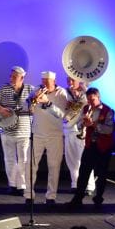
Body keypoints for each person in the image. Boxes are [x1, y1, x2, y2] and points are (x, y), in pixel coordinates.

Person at [67, 87, 115, 208]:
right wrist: (82, 124)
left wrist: (92, 124)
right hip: (90, 144)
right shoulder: (86, 108)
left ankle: (99, 198)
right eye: (88, 100)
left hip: (103, 147)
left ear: (98, 98)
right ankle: (78, 198)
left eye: (92, 100)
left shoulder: (108, 110)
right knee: (83, 172)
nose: (90, 103)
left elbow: (108, 129)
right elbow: (79, 124)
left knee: (101, 174)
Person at [29, 71, 69, 205]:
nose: (44, 84)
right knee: (31, 165)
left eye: (47, 81)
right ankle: (29, 194)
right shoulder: (36, 90)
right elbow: (28, 109)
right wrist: (32, 102)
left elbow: (61, 114)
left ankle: (51, 196)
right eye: (43, 81)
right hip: (37, 133)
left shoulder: (61, 93)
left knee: (54, 166)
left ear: (54, 81)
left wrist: (47, 102)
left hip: (54, 135)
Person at [0, 66, 33, 196]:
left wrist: (33, 108)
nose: (11, 78)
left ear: (22, 78)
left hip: (24, 131)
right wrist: (1, 110)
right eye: (11, 76)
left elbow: (35, 107)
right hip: (6, 130)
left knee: (23, 159)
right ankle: (12, 184)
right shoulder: (4, 88)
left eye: (15, 76)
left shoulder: (30, 89)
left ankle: (22, 185)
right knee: (9, 158)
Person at [63, 76, 94, 196]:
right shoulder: (64, 93)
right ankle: (75, 184)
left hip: (82, 130)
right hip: (68, 129)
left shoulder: (86, 93)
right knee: (71, 160)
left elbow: (92, 104)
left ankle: (89, 186)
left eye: (73, 80)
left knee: (84, 159)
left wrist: (83, 92)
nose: (70, 82)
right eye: (68, 80)